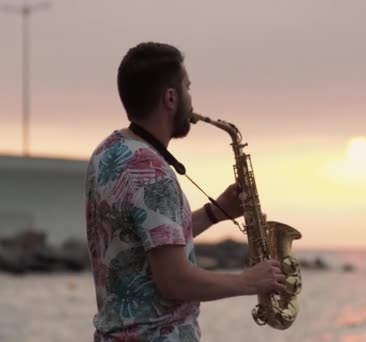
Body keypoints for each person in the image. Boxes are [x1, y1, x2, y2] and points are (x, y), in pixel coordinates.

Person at [84, 42, 287, 341]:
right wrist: (249, 281)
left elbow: (142, 244)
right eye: (188, 88)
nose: (191, 100)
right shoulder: (151, 171)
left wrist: (214, 213)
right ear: (170, 97)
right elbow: (174, 280)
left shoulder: (108, 152)